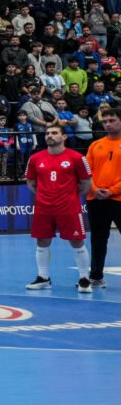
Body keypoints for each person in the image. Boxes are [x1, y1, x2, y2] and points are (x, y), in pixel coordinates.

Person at [25, 123, 94, 293]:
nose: (49, 135)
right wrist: (46, 195)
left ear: (64, 137)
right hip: (43, 208)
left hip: (69, 207)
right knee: (42, 240)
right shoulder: (35, 158)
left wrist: (69, 196)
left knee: (77, 241)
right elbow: (31, 182)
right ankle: (43, 277)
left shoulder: (77, 157)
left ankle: (84, 278)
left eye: (54, 133)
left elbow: (86, 184)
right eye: (47, 133)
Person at [83, 105, 121, 288]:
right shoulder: (95, 145)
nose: (108, 124)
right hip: (96, 199)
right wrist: (95, 189)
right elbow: (85, 172)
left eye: (112, 120)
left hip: (118, 198)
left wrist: (113, 190)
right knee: (98, 238)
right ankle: (96, 275)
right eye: (105, 121)